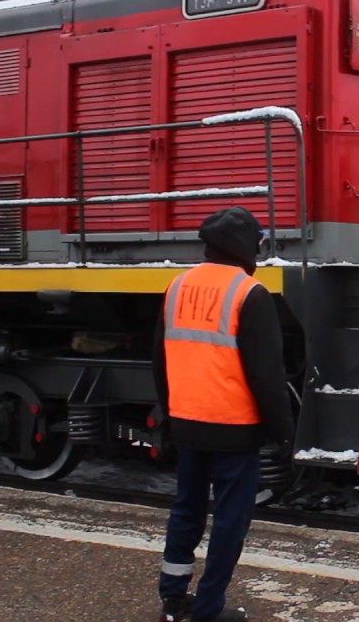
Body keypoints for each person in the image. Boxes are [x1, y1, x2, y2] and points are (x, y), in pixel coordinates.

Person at [153, 206, 295, 622]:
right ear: (246, 247)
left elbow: (159, 362)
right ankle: (208, 609)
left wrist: (168, 415)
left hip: (187, 422)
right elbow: (267, 374)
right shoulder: (249, 293)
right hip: (234, 428)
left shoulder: (176, 286)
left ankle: (173, 600)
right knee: (230, 521)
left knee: (187, 509)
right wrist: (283, 432)